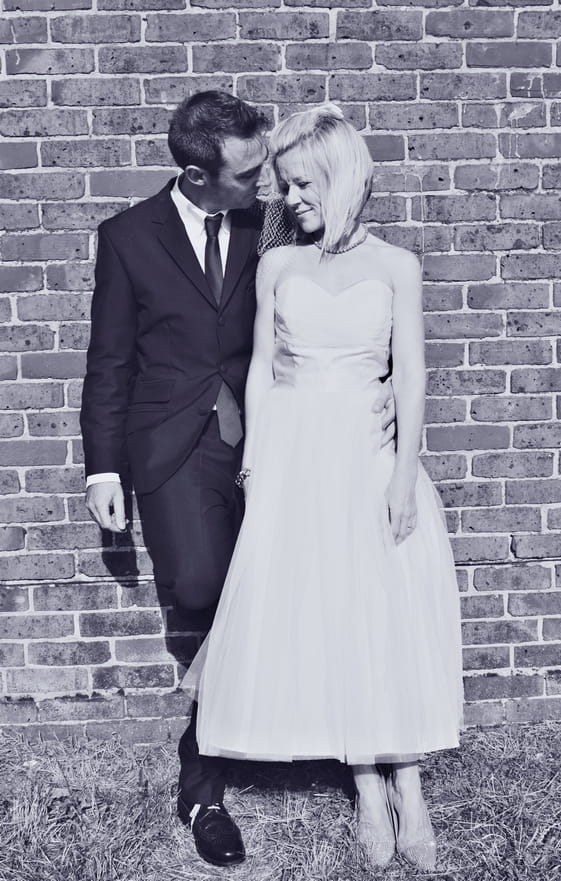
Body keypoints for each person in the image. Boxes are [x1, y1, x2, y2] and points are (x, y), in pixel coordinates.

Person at [80, 91, 393, 868]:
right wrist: (103, 466)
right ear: (196, 175)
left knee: (313, 581)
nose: (267, 184)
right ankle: (233, 721)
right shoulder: (126, 238)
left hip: (281, 438)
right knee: (200, 585)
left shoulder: (278, 221)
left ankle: (207, 778)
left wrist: (378, 387)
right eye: (250, 173)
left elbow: (338, 296)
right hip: (175, 447)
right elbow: (109, 360)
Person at [182, 103, 464, 872]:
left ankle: (411, 782)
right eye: (283, 184)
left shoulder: (396, 266)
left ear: (342, 177)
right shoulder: (279, 266)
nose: (291, 198)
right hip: (298, 455)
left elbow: (410, 376)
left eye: (303, 184)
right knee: (332, 606)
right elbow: (262, 372)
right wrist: (257, 464)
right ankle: (368, 784)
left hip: (370, 455)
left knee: (385, 606)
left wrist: (405, 472)